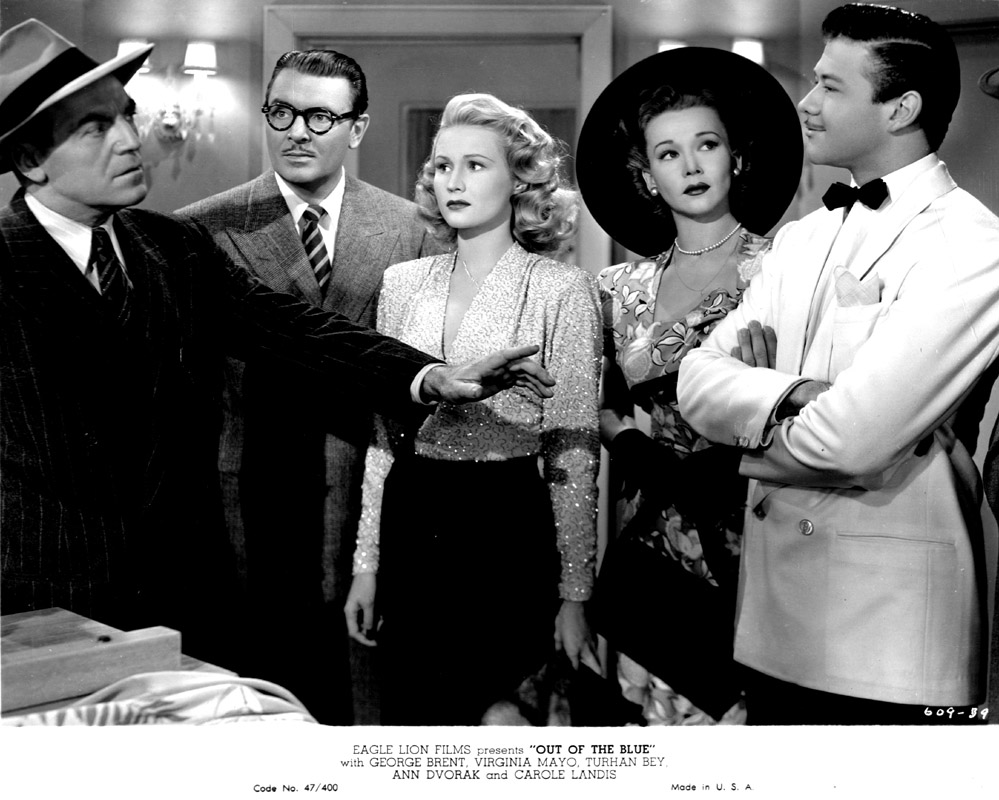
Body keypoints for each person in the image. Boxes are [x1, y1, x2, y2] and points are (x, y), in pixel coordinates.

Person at [0, 19, 554, 677]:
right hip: (44, 615)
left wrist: (429, 376)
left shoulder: (168, 246)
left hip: (179, 604)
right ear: (30, 159)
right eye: (95, 128)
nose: (129, 139)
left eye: (126, 114)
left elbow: (294, 329)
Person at [677, 3, 999, 724]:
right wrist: (795, 392)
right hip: (773, 621)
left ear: (900, 109)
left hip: (886, 635)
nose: (805, 102)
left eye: (829, 85)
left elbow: (851, 441)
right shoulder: (802, 236)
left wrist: (748, 413)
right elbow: (696, 379)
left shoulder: (973, 245)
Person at [176, 49, 441, 724]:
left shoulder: (410, 228)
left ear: (357, 128)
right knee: (258, 708)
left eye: (320, 116)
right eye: (283, 112)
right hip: (249, 501)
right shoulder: (202, 228)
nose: (297, 131)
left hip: (370, 503)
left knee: (366, 707)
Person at [343, 92, 602, 725]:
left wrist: (574, 592)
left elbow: (572, 449)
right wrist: (366, 564)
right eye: (442, 165)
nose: (452, 181)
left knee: (497, 725)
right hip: (413, 516)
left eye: (475, 165)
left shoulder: (561, 288)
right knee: (414, 725)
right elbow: (383, 436)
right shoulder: (403, 283)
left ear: (520, 180)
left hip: (506, 524)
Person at [574, 47, 802, 725]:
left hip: (757, 530)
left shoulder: (785, 270)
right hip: (649, 540)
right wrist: (629, 444)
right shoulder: (616, 289)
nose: (692, 166)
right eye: (668, 154)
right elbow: (597, 408)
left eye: (707, 145)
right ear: (648, 177)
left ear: (737, 157)